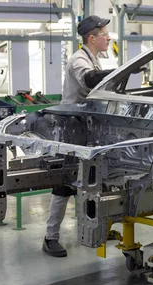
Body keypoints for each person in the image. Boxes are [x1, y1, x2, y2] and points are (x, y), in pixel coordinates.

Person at [43, 15, 115, 258]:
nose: (109, 37)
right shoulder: (79, 60)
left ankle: (97, 228)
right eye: (104, 34)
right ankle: (50, 237)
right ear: (92, 38)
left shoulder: (94, 58)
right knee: (64, 184)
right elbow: (89, 79)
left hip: (90, 127)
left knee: (93, 181)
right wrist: (121, 72)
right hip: (71, 129)